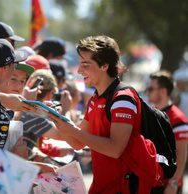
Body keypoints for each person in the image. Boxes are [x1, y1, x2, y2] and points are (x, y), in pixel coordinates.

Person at [46, 35, 151, 193]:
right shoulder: (96, 99)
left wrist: (72, 129)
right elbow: (77, 143)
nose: (79, 70)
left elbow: (115, 149)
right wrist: (56, 118)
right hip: (101, 187)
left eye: (85, 65)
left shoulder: (123, 98)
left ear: (104, 66)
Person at [147, 71, 188, 194]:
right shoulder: (151, 113)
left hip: (168, 186)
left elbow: (182, 154)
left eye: (150, 89)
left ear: (163, 92)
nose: (147, 92)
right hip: (153, 181)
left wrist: (174, 183)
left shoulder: (177, 118)